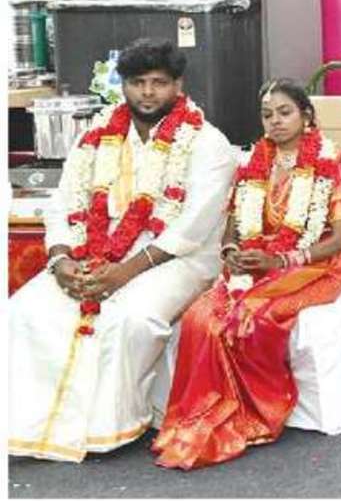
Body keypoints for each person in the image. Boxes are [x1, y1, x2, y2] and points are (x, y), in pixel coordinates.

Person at [9, 38, 239, 462]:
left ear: (178, 85)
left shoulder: (207, 143)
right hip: (93, 249)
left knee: (129, 317)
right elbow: (63, 203)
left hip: (178, 257)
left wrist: (123, 273)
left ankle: (109, 427)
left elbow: (193, 227)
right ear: (123, 85)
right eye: (137, 82)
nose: (147, 92)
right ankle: (30, 424)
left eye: (159, 83)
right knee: (27, 308)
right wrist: (61, 260)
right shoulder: (95, 136)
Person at [150, 81, 341, 468]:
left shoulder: (334, 163)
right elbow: (233, 228)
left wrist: (282, 261)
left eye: (285, 112)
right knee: (199, 316)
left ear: (306, 116)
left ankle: (251, 414)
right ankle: (203, 415)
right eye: (267, 115)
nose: (275, 121)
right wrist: (232, 253)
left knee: (247, 317)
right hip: (256, 262)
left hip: (312, 267)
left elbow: (340, 240)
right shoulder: (252, 163)